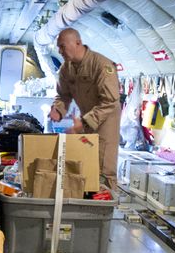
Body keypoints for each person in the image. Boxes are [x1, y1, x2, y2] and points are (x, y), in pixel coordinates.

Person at [49, 28, 121, 189]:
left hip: (106, 120)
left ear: (77, 43)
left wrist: (84, 122)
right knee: (86, 162)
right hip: (85, 119)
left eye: (62, 46)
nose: (60, 51)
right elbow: (62, 95)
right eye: (58, 47)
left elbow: (110, 101)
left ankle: (104, 208)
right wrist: (58, 110)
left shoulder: (102, 65)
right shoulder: (66, 69)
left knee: (104, 167)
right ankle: (87, 200)